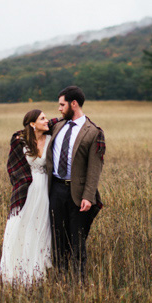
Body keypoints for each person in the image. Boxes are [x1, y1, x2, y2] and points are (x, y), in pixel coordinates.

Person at [47, 85, 105, 280]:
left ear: (74, 104)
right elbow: (33, 128)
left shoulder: (93, 132)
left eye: (62, 105)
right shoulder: (57, 125)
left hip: (78, 194)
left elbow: (95, 168)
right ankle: (60, 280)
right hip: (55, 190)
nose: (59, 108)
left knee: (77, 240)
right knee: (57, 239)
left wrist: (88, 196)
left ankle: (78, 282)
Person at [0, 109, 54, 285]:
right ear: (32, 124)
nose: (47, 121)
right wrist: (22, 183)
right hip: (27, 190)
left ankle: (37, 274)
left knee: (41, 229)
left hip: (46, 190)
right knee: (22, 227)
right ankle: (16, 273)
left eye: (46, 118)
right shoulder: (20, 141)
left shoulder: (51, 139)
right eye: (42, 118)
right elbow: (12, 167)